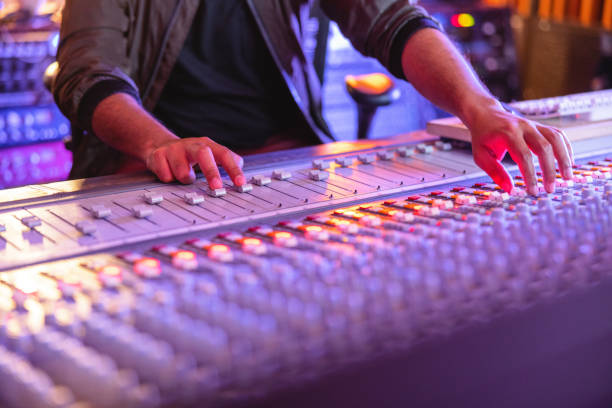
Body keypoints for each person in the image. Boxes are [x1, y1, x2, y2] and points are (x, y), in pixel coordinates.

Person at [54, 0, 574, 196]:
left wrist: (479, 107)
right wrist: (159, 144)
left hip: (279, 158)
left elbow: (392, 19)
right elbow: (86, 72)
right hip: (152, 165)